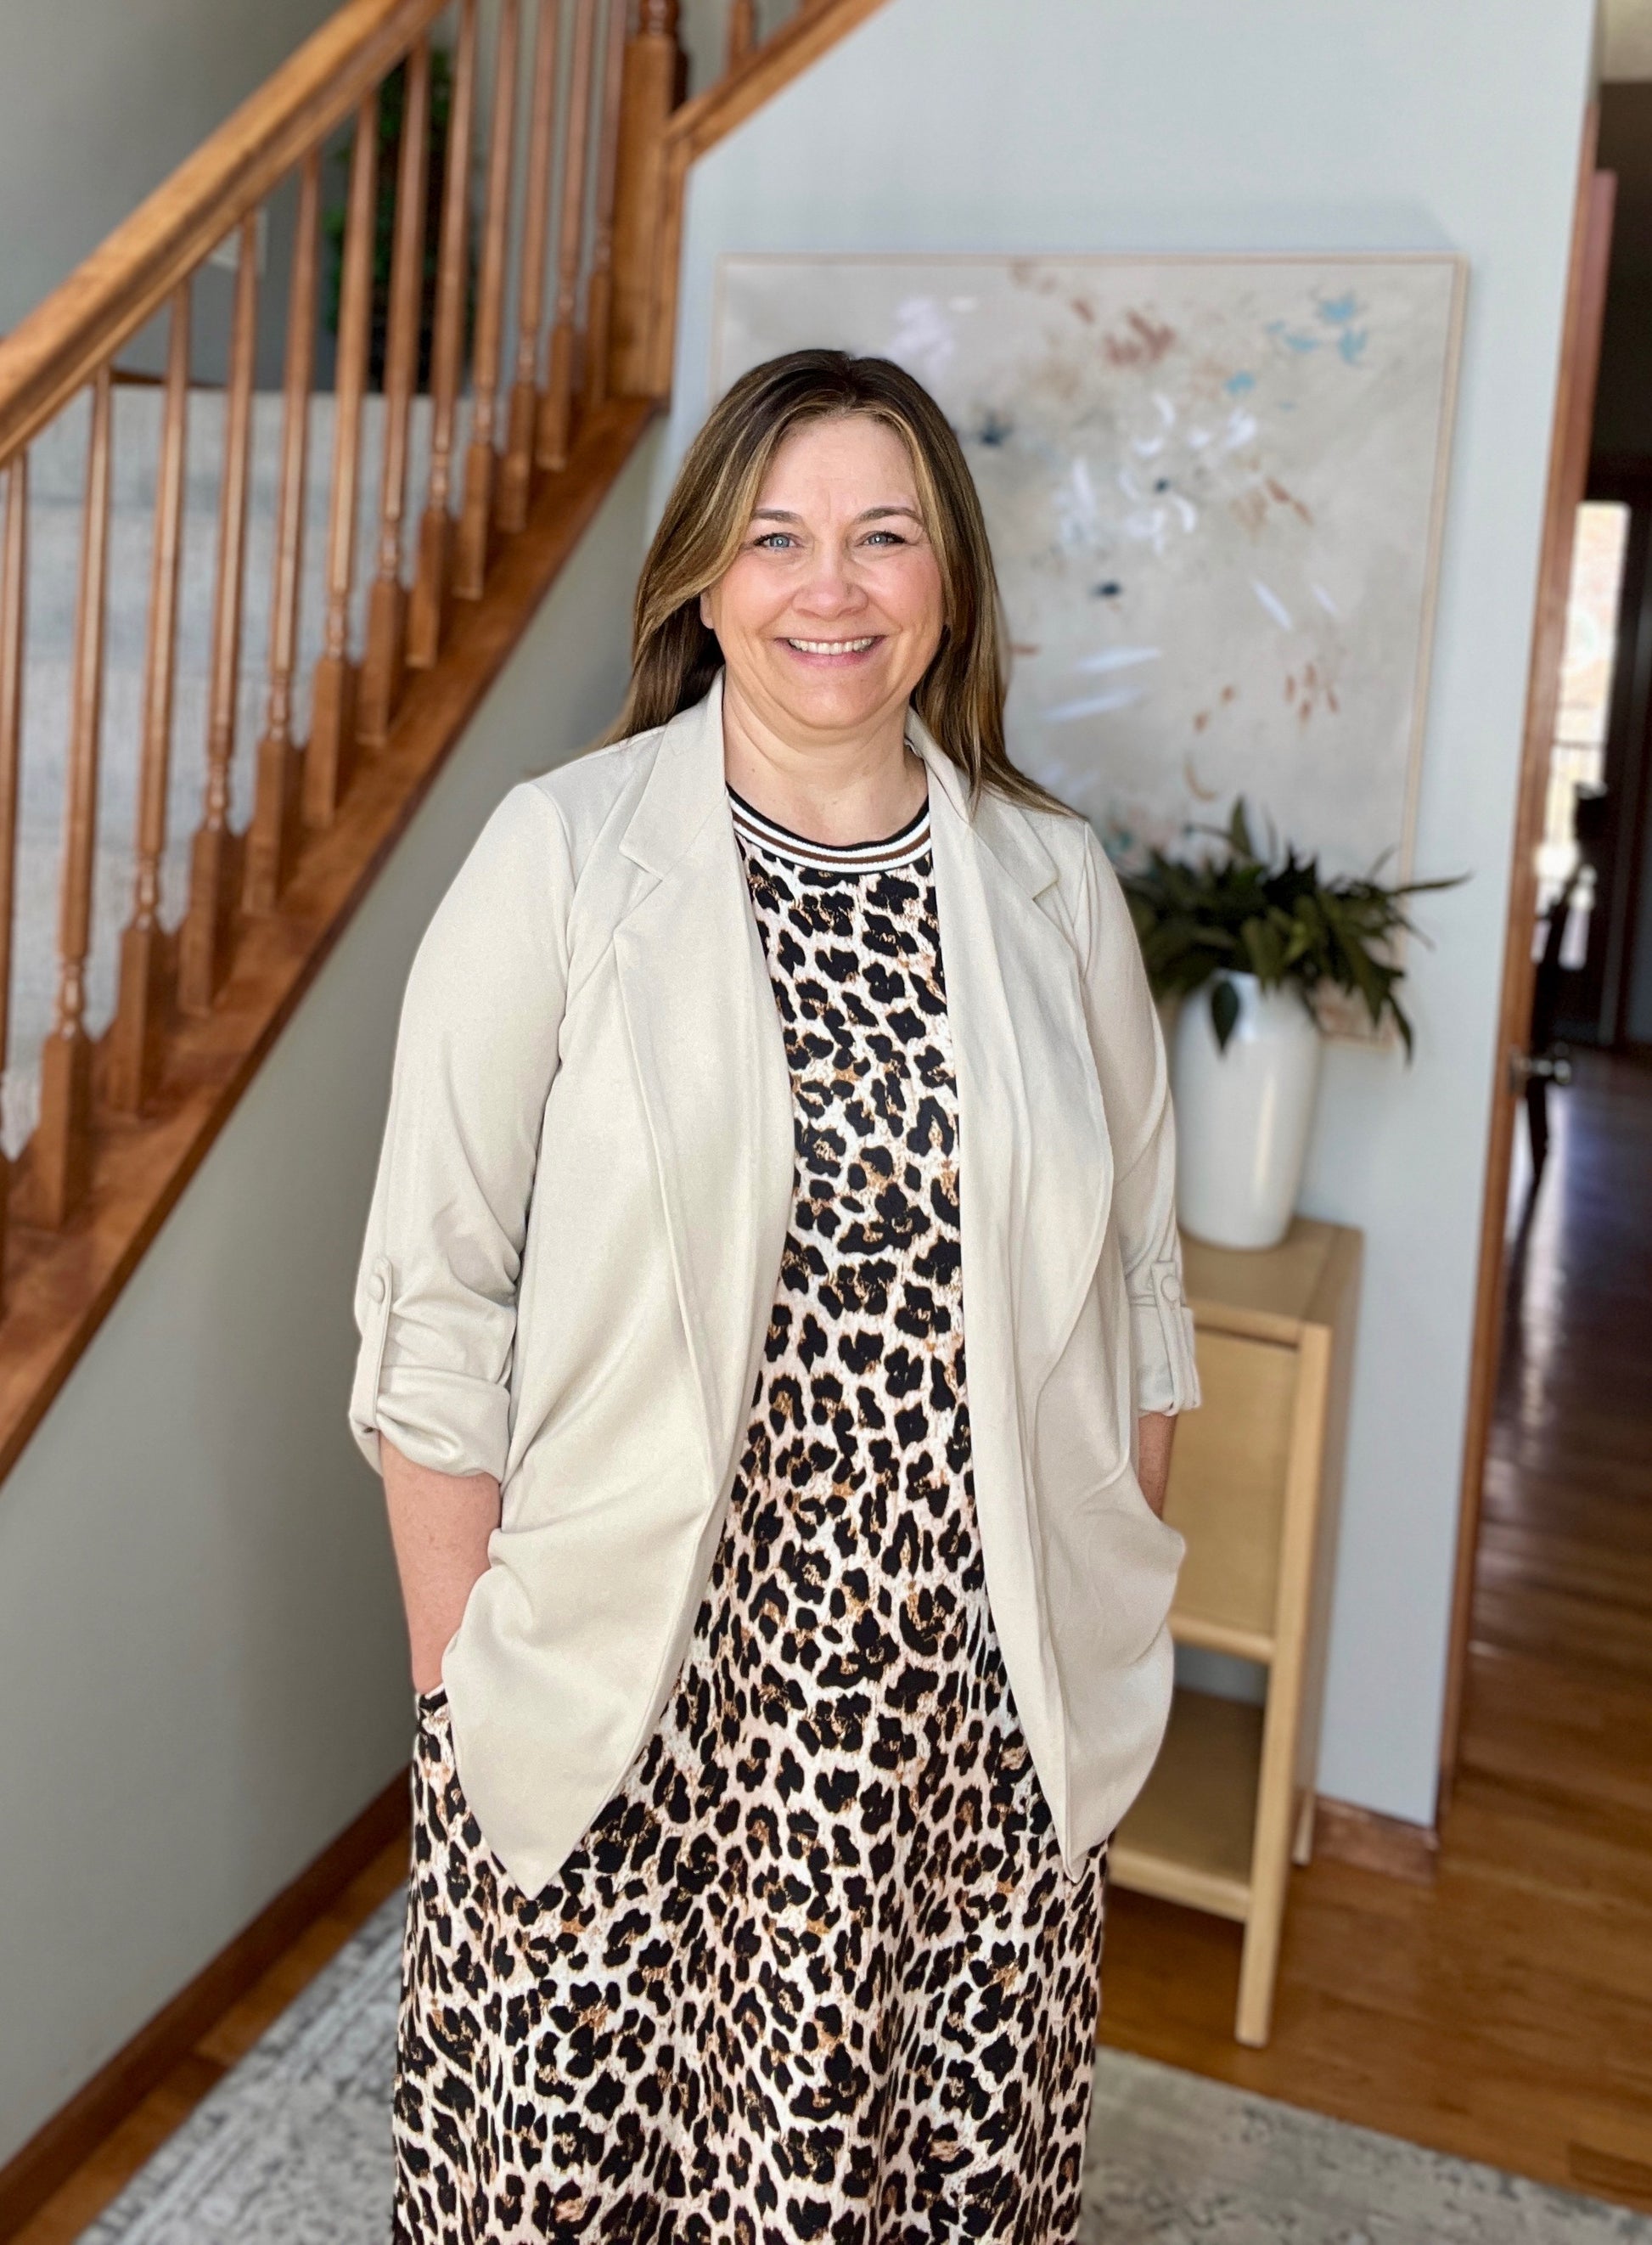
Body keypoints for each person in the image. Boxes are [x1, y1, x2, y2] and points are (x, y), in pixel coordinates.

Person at [351, 347, 1198, 2243]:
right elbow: (433, 1306)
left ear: (948, 584)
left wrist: (1112, 1585)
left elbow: (1141, 1287)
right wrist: (460, 1685)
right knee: (580, 2179)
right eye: (778, 535)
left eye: (883, 534)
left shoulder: (1053, 889)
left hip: (970, 1715)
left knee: (929, 2175)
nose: (831, 586)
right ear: (702, 581)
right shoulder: (561, 859)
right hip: (631, 1676)